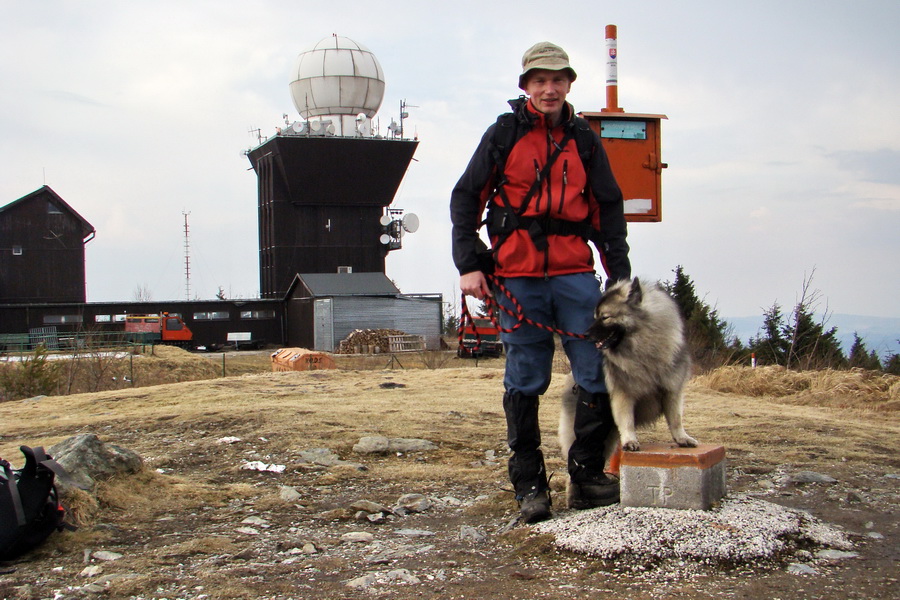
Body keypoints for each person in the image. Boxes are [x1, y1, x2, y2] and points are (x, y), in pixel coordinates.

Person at [450, 42, 631, 523]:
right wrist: (469, 264)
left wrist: (621, 277)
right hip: (516, 276)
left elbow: (607, 208)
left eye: (558, 80)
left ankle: (588, 476)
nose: (549, 89)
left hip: (574, 275)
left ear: (569, 83)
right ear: (526, 86)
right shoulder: (504, 134)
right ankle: (530, 487)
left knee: (598, 371)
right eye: (539, 80)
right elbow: (466, 197)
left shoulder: (585, 140)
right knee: (526, 378)